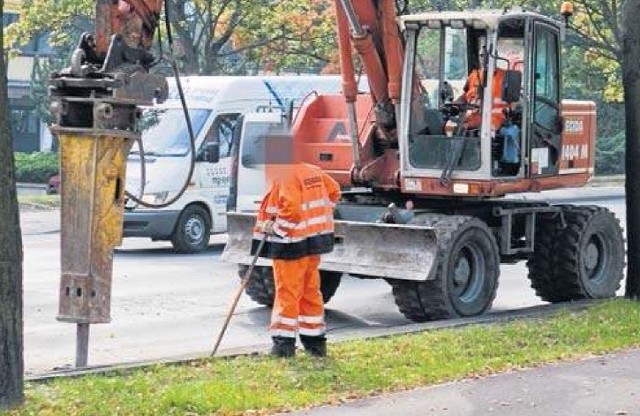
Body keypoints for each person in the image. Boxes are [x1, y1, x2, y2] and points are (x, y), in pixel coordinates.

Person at [252, 163, 341, 358]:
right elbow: (334, 192)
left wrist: (275, 228)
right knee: (310, 292)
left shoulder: (285, 175)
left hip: (290, 245)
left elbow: (291, 211)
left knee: (287, 294)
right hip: (313, 241)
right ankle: (315, 344)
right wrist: (317, 217)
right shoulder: (312, 171)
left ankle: (283, 347)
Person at [457, 48, 508, 132]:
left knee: (487, 130)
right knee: (450, 127)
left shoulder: (505, 76)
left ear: (496, 57)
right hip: (473, 116)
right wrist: (455, 104)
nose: (484, 58)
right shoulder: (473, 75)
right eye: (482, 55)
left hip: (496, 117)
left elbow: (514, 101)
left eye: (488, 55)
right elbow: (464, 95)